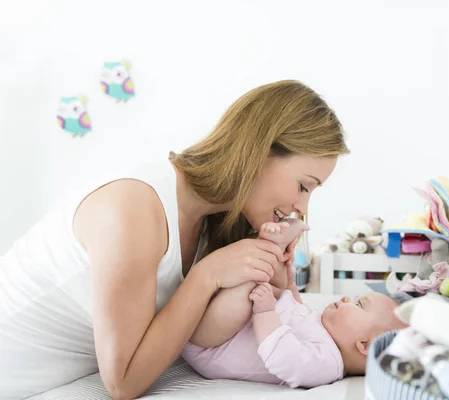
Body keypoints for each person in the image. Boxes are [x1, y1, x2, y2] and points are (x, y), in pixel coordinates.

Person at [0, 80, 349, 400]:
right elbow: (123, 384)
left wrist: (276, 271)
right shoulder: (134, 209)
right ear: (258, 153)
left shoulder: (215, 221)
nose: (301, 208)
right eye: (303, 186)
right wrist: (207, 275)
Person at [182, 219, 406, 389]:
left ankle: (267, 248)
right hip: (232, 327)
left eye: (359, 305)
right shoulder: (323, 327)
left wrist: (265, 310)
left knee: (251, 281)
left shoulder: (327, 364)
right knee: (275, 283)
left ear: (365, 345)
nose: (347, 298)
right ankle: (275, 250)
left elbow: (283, 356)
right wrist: (288, 280)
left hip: (213, 346)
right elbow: (294, 307)